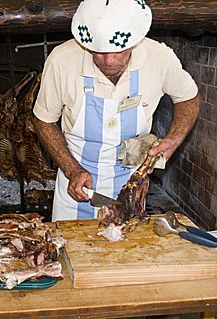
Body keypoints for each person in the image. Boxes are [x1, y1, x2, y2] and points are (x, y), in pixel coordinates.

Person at [33, 0, 200, 222]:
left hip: (131, 186)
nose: (109, 61)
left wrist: (174, 139)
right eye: (99, 52)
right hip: (76, 186)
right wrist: (72, 170)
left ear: (135, 40)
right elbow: (43, 119)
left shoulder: (159, 57)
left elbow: (188, 98)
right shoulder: (62, 60)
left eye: (118, 51)